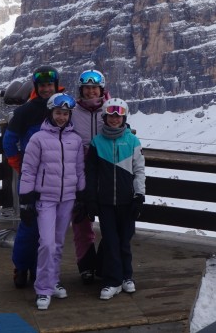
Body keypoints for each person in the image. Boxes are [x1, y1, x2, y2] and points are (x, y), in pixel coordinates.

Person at [19, 92, 85, 311]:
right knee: (46, 243)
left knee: (57, 243)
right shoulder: (38, 139)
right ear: (50, 112)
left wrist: (81, 195)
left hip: (68, 197)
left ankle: (53, 281)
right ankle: (43, 289)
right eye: (58, 113)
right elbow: (28, 170)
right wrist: (25, 200)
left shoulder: (75, 139)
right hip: (45, 198)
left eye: (65, 114)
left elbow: (79, 169)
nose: (61, 117)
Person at [2, 66, 62, 288]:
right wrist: (19, 165)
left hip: (54, 178)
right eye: (42, 85)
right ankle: (21, 267)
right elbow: (9, 141)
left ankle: (39, 269)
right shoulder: (25, 111)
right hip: (31, 178)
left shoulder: (62, 107)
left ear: (56, 85)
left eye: (50, 85)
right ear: (36, 87)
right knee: (29, 224)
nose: (46, 89)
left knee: (47, 228)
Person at [84, 98, 145, 301]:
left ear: (124, 118)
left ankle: (127, 276)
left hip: (127, 201)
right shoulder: (97, 142)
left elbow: (139, 171)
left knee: (124, 241)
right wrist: (91, 200)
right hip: (106, 202)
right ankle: (113, 281)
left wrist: (139, 196)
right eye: (111, 115)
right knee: (110, 241)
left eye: (118, 116)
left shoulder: (133, 141)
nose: (114, 119)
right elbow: (91, 174)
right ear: (104, 117)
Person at [69, 68, 108, 283]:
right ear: (81, 90)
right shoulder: (72, 111)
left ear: (101, 89)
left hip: (104, 173)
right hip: (79, 174)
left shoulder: (111, 109)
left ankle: (103, 264)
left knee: (109, 221)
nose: (91, 91)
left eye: (94, 88)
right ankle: (86, 266)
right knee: (81, 221)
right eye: (86, 88)